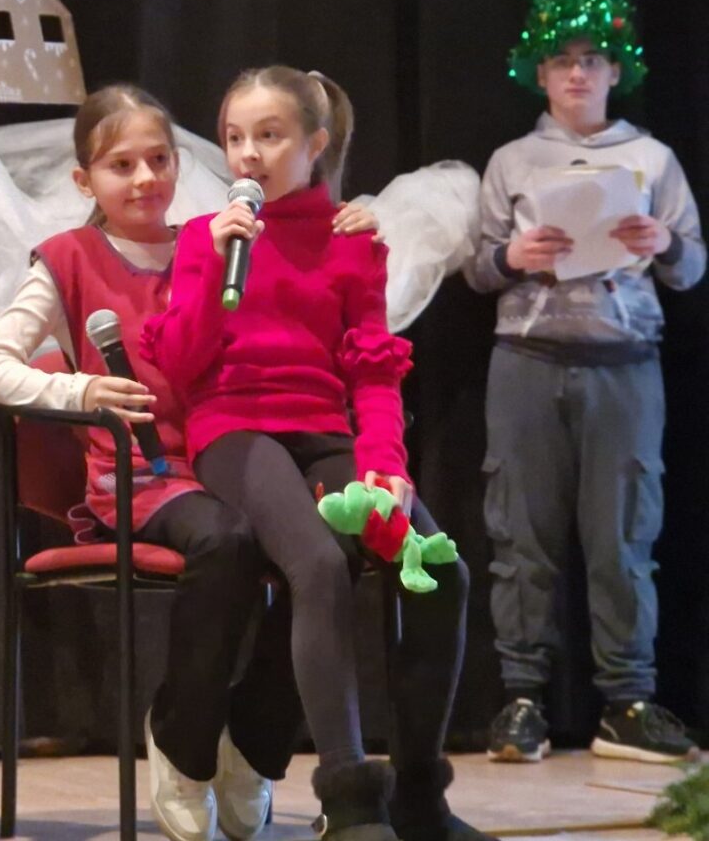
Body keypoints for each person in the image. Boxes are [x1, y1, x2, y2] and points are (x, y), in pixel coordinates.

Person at [0, 84, 378, 841]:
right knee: (226, 540)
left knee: (334, 548)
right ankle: (183, 740)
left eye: (159, 159)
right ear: (84, 180)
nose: (145, 178)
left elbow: (316, 281)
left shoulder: (218, 237)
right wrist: (81, 388)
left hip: (243, 454)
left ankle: (254, 742)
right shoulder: (67, 259)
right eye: (121, 165)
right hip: (144, 479)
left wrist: (349, 218)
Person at [142, 67, 490, 841]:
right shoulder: (205, 237)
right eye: (235, 137)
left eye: (270, 136)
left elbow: (372, 370)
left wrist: (386, 463)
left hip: (322, 430)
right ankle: (348, 797)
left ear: (315, 143)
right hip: (234, 428)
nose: (248, 154)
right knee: (319, 564)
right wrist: (217, 262)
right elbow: (184, 365)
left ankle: (419, 797)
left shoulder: (352, 241)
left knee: (440, 573)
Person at [466, 0, 703, 765]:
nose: (577, 74)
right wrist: (513, 256)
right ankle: (522, 698)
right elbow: (476, 269)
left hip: (625, 365)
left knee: (624, 539)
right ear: (539, 72)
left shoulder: (652, 158)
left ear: (615, 71)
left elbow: (692, 268)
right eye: (562, 60)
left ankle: (627, 701)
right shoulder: (511, 161)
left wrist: (662, 242)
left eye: (592, 60)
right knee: (520, 538)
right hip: (529, 363)